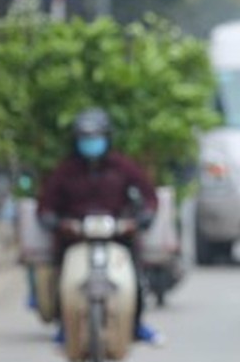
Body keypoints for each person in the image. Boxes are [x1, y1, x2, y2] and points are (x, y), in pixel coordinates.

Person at [37, 108, 162, 344]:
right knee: (62, 275)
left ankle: (136, 323)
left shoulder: (122, 167)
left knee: (136, 275)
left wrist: (143, 216)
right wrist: (55, 221)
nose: (90, 143)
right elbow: (46, 205)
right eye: (85, 139)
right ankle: (65, 326)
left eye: (95, 138)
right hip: (74, 237)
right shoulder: (65, 171)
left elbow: (148, 196)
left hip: (116, 234)